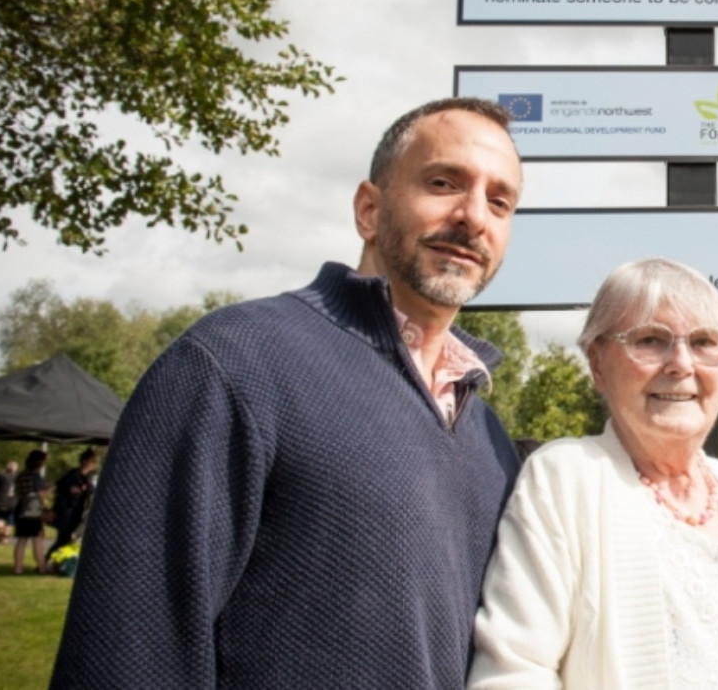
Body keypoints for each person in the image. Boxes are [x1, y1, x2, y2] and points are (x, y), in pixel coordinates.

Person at [50, 98, 526, 690]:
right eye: (442, 182)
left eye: (499, 201)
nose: (473, 216)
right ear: (369, 210)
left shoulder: (490, 438)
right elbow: (130, 649)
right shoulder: (233, 363)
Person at [468, 259, 718, 689]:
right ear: (597, 364)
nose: (681, 364)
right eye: (650, 340)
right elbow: (513, 673)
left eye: (704, 342)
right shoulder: (566, 480)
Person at [46, 449, 98, 561]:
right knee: (63, 538)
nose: (94, 464)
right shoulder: (73, 474)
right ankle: (48, 559)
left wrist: (85, 488)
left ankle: (58, 560)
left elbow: (92, 490)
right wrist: (70, 489)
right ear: (85, 461)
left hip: (77, 511)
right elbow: (60, 486)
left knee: (69, 538)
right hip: (66, 510)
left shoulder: (87, 478)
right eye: (92, 461)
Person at [13, 449, 50, 574]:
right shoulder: (35, 476)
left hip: (21, 507)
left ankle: (18, 568)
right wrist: (52, 489)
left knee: (21, 540)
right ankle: (42, 566)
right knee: (37, 539)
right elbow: (41, 494)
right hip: (33, 510)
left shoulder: (21, 475)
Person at [0, 460, 17, 543]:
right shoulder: (19, 477)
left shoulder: (2, 476)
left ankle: (1, 532)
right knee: (10, 521)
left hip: (0, 501)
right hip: (13, 502)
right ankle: (5, 538)